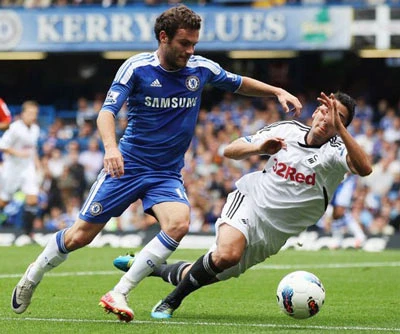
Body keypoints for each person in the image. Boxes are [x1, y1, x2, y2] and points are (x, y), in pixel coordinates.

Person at [10, 4, 301, 322]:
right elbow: (106, 112)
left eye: (194, 44)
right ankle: (32, 275)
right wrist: (110, 148)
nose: (191, 51)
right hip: (127, 166)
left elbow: (238, 82)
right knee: (80, 236)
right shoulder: (136, 68)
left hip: (165, 173)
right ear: (164, 37)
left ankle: (119, 291)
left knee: (179, 223)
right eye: (184, 44)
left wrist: (276, 91)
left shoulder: (200, 69)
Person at [114, 92, 372, 319]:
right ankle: (170, 302)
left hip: (273, 234)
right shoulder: (287, 130)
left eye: (339, 118)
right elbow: (230, 149)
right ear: (317, 111)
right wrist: (259, 146)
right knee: (227, 254)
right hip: (249, 202)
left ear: (342, 128)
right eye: (327, 110)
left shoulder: (336, 152)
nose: (329, 119)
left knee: (201, 271)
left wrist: (342, 130)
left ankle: (149, 266)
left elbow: (365, 168)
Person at [0, 100, 41, 237]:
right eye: (30, 113)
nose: (33, 116)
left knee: (33, 199)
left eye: (35, 113)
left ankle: (27, 233)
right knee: (3, 201)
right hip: (12, 168)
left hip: (27, 168)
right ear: (23, 114)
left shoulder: (35, 129)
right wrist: (19, 154)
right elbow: (3, 146)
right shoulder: (14, 128)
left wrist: (38, 165)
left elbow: (32, 149)